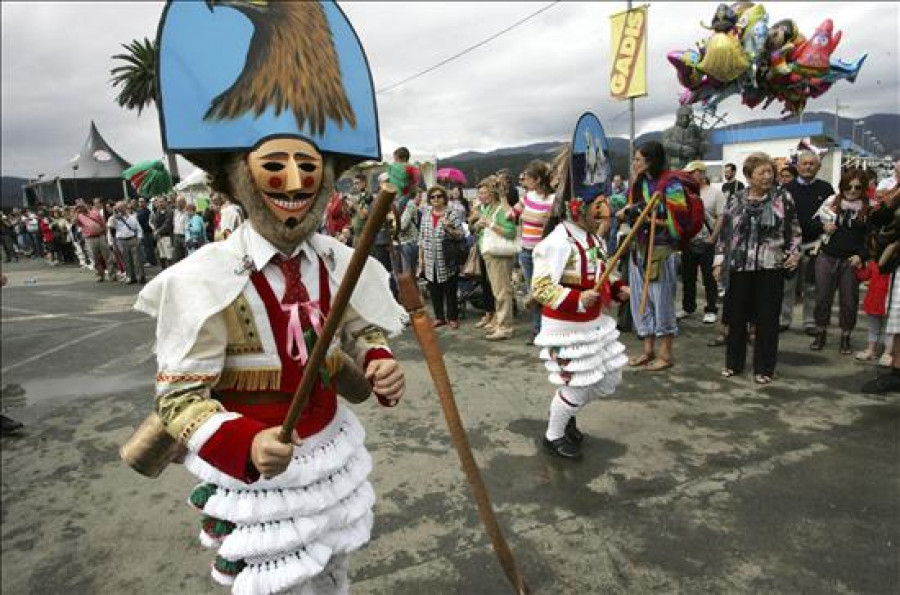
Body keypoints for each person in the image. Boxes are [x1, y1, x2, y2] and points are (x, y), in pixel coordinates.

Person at [137, 4, 407, 592]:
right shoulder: (199, 278)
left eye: (309, 166)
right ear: (235, 176)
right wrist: (246, 441)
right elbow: (179, 401)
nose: (294, 182)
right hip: (256, 477)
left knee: (336, 567)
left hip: (331, 449)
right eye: (274, 165)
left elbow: (363, 332)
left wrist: (380, 363)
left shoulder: (341, 259)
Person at [532, 169, 629, 459]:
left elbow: (603, 269)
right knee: (576, 385)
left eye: (604, 204)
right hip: (565, 326)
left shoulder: (593, 240)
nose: (604, 212)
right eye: (597, 205)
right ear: (577, 208)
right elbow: (540, 287)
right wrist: (576, 298)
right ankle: (554, 434)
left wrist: (619, 286)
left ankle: (564, 413)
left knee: (609, 377)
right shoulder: (557, 242)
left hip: (594, 323)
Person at [715, 152, 801, 384]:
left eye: (770, 172)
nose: (767, 176)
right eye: (761, 172)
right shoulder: (736, 198)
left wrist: (793, 253)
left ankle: (764, 368)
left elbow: (793, 229)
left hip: (770, 265)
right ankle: (734, 363)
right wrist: (719, 260)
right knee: (737, 316)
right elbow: (726, 232)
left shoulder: (783, 197)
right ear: (749, 176)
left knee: (767, 319)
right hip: (740, 266)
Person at [623, 141, 680, 371]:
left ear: (651, 161)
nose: (635, 163)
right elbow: (630, 209)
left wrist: (651, 220)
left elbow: (678, 223)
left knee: (661, 301)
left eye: (638, 159)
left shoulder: (671, 184)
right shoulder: (641, 183)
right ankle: (648, 350)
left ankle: (665, 355)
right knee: (641, 300)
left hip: (661, 251)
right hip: (639, 249)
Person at [809, 169, 869, 354]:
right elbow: (812, 223)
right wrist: (822, 225)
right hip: (827, 256)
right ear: (842, 186)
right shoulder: (831, 202)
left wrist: (861, 256)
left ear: (864, 188)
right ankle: (821, 333)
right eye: (848, 186)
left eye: (857, 187)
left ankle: (845, 337)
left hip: (850, 260)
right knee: (822, 298)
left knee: (849, 301)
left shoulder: (869, 208)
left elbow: (871, 238)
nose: (852, 191)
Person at [780, 151, 834, 332]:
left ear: (818, 167)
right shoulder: (786, 189)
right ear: (797, 166)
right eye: (805, 164)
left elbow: (831, 216)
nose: (808, 167)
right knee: (786, 284)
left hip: (815, 244)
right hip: (790, 245)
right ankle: (783, 319)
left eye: (812, 164)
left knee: (812, 285)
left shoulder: (826, 189)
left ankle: (810, 321)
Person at [512, 160, 555, 345]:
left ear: (537, 179)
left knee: (546, 291)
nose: (524, 180)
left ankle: (550, 329)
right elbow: (512, 214)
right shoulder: (528, 196)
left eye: (527, 177)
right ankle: (537, 329)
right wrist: (531, 216)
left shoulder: (552, 199)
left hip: (544, 252)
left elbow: (544, 220)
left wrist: (526, 215)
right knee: (533, 292)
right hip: (526, 250)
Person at [678, 161, 726, 324]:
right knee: (688, 277)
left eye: (692, 173)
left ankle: (711, 308)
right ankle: (688, 307)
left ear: (701, 173)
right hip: (689, 242)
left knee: (709, 278)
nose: (689, 177)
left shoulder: (715, 193)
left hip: (708, 242)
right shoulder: (685, 193)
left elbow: (721, 217)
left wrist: (713, 238)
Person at [472, 177, 517, 340]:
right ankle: (500, 322)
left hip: (499, 255)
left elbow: (511, 232)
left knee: (502, 291)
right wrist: (480, 226)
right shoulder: (490, 208)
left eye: (483, 193)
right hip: (491, 254)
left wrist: (489, 224)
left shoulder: (501, 209)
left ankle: (505, 327)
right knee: (497, 291)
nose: (480, 196)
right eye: (479, 193)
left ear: (492, 193)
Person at [417, 186, 464, 329]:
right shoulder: (426, 214)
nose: (436, 199)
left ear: (444, 198)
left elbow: (460, 234)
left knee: (450, 289)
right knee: (434, 289)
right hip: (430, 258)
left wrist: (449, 228)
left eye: (439, 196)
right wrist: (421, 259)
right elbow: (422, 238)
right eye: (432, 197)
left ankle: (452, 317)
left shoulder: (452, 214)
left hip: (447, 257)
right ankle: (439, 317)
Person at [854, 258, 893, 365]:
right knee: (873, 327)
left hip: (889, 299)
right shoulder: (873, 262)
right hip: (874, 299)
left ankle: (887, 353)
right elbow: (865, 276)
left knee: (889, 329)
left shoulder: (894, 263)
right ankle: (871, 350)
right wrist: (858, 267)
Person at [78, 198, 116, 281]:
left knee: (107, 256)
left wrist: (105, 235)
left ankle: (112, 274)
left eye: (82, 206)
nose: (81, 208)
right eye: (79, 207)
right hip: (89, 238)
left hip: (100, 236)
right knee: (95, 258)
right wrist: (75, 212)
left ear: (87, 205)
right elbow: (74, 222)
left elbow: (103, 224)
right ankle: (100, 275)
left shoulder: (95, 213)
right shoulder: (79, 216)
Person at [661, 106, 707, 170]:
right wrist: (681, 149)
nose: (685, 119)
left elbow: (706, 147)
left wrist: (697, 145)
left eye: (687, 117)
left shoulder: (696, 131)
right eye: (682, 117)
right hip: (675, 167)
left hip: (693, 167)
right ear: (678, 117)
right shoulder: (669, 131)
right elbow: (666, 145)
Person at [111, 200, 146, 284]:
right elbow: (112, 226)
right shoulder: (114, 219)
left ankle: (140, 277)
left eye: (121, 208)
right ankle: (130, 277)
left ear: (125, 207)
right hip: (122, 240)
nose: (119, 210)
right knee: (126, 260)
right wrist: (114, 213)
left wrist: (139, 238)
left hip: (133, 239)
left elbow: (138, 228)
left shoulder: (132, 217)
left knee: (137, 259)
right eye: (118, 208)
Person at [152, 197, 175, 269]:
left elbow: (167, 224)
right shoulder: (157, 212)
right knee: (162, 256)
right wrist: (156, 232)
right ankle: (163, 271)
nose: (160, 203)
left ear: (166, 202)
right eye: (159, 202)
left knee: (169, 256)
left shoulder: (170, 212)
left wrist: (157, 231)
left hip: (167, 236)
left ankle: (171, 271)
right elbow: (155, 223)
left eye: (162, 202)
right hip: (159, 237)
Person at [136, 197, 158, 267]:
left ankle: (151, 261)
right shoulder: (139, 211)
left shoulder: (148, 211)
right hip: (142, 232)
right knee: (146, 247)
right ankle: (150, 260)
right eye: (139, 202)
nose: (140, 203)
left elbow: (150, 222)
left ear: (145, 203)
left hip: (147, 232)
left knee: (149, 247)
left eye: (142, 201)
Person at [171, 195, 189, 264]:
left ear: (184, 203)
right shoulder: (175, 212)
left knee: (186, 255)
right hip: (176, 235)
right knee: (177, 256)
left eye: (180, 202)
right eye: (177, 202)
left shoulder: (187, 212)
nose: (178, 204)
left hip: (184, 236)